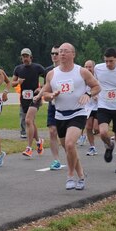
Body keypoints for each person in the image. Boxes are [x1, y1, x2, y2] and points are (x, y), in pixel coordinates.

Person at [40, 43, 100, 190]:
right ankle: (81, 175)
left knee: (69, 144)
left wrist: (88, 94)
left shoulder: (82, 72)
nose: (62, 54)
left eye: (65, 51)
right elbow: (45, 94)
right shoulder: (52, 74)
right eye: (60, 52)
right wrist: (50, 95)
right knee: (69, 149)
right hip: (59, 114)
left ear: (73, 54)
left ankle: (70, 175)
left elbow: (97, 86)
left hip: (78, 113)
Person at [10, 48, 47, 158]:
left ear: (31, 57)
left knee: (28, 120)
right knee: (31, 122)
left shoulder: (37, 67)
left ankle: (29, 148)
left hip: (35, 98)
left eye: (27, 56)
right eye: (23, 56)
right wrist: (18, 82)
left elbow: (48, 78)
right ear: (21, 58)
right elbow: (12, 83)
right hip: (24, 99)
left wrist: (40, 88)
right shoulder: (18, 69)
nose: (25, 58)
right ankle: (39, 141)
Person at [45, 47, 64, 170]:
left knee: (65, 137)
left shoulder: (67, 70)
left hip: (67, 107)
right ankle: (56, 160)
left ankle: (72, 156)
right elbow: (45, 87)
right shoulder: (48, 71)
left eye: (56, 53)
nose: (54, 56)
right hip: (53, 105)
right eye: (52, 53)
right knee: (52, 131)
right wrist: (42, 94)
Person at [82, 59, 99, 156]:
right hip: (88, 106)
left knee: (97, 128)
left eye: (90, 67)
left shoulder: (98, 78)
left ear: (94, 68)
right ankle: (92, 147)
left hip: (99, 106)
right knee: (88, 127)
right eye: (86, 67)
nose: (88, 69)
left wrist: (97, 96)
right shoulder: (82, 78)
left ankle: (107, 141)